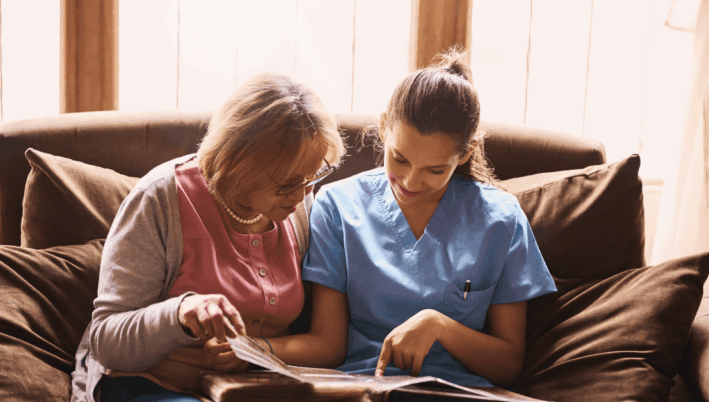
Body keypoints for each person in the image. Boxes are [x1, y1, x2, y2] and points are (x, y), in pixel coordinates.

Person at [70, 72, 345, 402]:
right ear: (238, 164)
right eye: (286, 184)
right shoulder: (160, 199)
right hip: (151, 384)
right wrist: (181, 313)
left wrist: (258, 351)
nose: (301, 196)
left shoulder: (299, 204)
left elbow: (326, 340)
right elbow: (107, 340)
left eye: (312, 177)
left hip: (252, 388)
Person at [295, 47, 557, 390]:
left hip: (461, 394)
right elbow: (328, 345)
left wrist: (439, 326)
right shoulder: (336, 207)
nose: (411, 182)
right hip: (360, 388)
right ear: (384, 127)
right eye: (399, 159)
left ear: (464, 154)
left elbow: (508, 366)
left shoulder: (502, 221)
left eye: (435, 170)